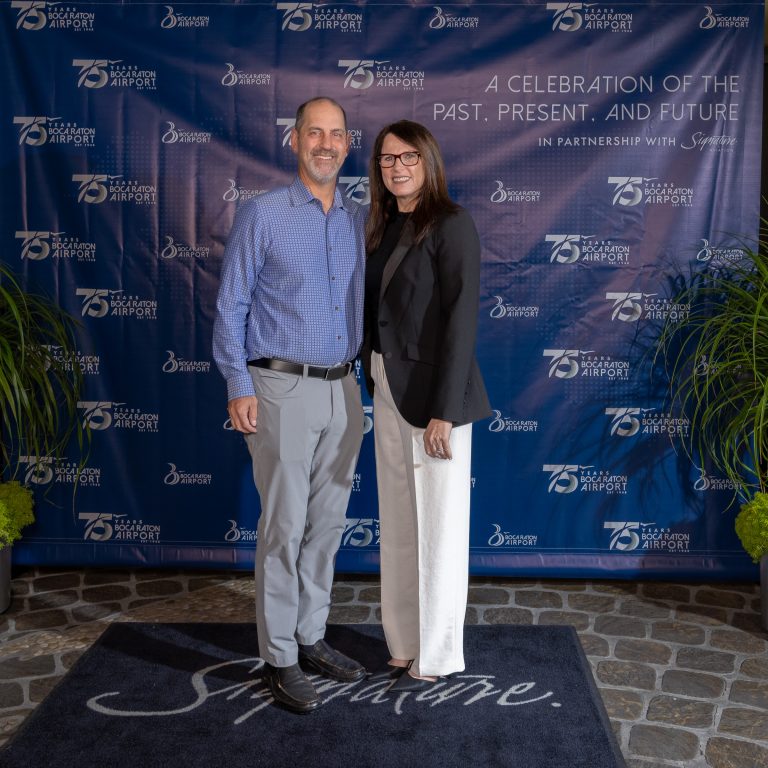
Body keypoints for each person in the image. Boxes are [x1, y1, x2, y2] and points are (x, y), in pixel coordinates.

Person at [212, 97, 367, 714]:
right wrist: (238, 384)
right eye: (314, 133)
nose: (326, 144)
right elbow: (231, 304)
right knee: (284, 526)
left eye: (336, 134)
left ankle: (311, 636)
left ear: (348, 144)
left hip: (344, 388)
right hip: (279, 388)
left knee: (326, 525)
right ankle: (278, 657)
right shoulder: (264, 214)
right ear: (295, 140)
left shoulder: (357, 220)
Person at [361, 120, 492, 692]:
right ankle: (403, 642)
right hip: (387, 385)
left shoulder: (452, 223)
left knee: (439, 526)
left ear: (428, 161)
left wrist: (446, 410)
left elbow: (461, 320)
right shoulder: (383, 224)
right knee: (398, 522)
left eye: (408, 156)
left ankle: (438, 653)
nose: (398, 167)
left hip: (437, 397)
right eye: (388, 159)